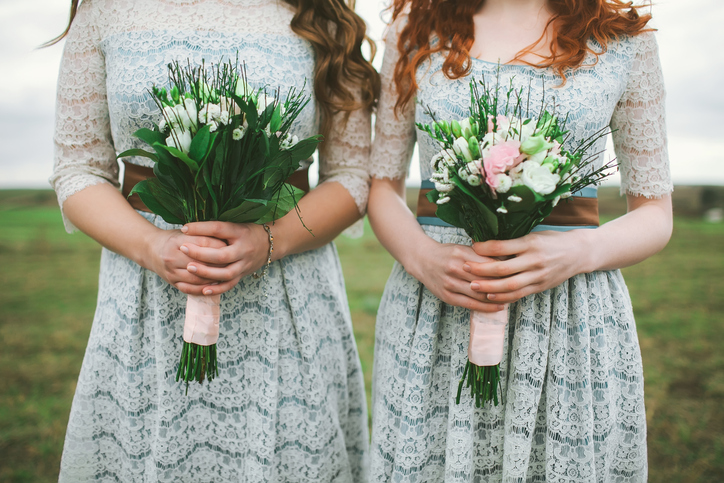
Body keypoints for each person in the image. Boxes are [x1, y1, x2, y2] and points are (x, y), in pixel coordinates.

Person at [49, 0, 379, 480]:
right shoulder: (105, 9)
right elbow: (78, 167)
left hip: (285, 296)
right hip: (148, 297)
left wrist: (271, 240)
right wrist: (153, 246)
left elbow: (350, 176)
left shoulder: (319, 14)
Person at [367, 0, 672, 481]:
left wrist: (576, 252)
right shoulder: (414, 29)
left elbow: (655, 213)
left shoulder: (622, 40)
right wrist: (421, 256)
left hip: (569, 310)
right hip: (437, 305)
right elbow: (382, 184)